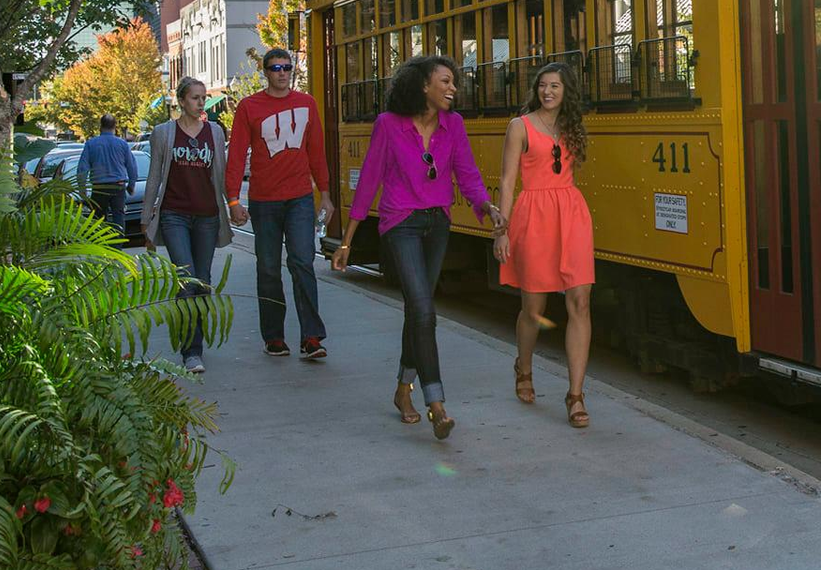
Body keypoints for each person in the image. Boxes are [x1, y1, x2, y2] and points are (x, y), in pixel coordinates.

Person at [331, 56, 498, 440]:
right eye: (445, 81)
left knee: (417, 311)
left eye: (454, 82)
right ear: (424, 86)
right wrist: (347, 241)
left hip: (437, 223)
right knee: (424, 309)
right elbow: (369, 180)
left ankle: (402, 389)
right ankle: (436, 404)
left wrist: (486, 206)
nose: (453, 88)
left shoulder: (453, 125)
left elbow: (467, 173)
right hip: (401, 223)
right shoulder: (388, 125)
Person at [494, 62, 596, 429]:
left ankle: (576, 395)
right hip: (533, 217)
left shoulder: (572, 126)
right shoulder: (519, 127)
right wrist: (502, 230)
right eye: (542, 86)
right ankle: (524, 367)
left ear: (566, 90)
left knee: (580, 301)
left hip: (571, 214)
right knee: (534, 307)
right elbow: (507, 182)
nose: (547, 92)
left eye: (554, 86)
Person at [225, 47, 334, 361]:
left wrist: (324, 194)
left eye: (287, 67)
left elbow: (317, 152)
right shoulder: (249, 106)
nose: (282, 73)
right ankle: (274, 337)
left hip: (300, 198)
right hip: (264, 201)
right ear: (266, 72)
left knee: (302, 262)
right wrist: (233, 199)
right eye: (275, 68)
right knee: (268, 269)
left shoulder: (307, 103)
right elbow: (236, 156)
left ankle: (312, 337)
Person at [141, 77, 233, 373]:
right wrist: (146, 222)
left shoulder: (215, 132)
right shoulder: (163, 133)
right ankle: (191, 351)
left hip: (207, 216)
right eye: (195, 97)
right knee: (188, 280)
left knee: (203, 282)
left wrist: (233, 205)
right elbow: (154, 177)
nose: (200, 102)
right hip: (174, 215)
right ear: (181, 101)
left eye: (203, 97)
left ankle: (194, 338)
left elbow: (221, 174)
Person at [77, 114, 137, 237]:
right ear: (115, 126)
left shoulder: (91, 144)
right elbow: (132, 166)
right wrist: (131, 185)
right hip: (118, 186)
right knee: (118, 217)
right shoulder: (122, 144)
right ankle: (117, 247)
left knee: (99, 219)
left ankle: (102, 245)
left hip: (99, 187)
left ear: (101, 126)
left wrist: (82, 189)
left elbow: (82, 168)